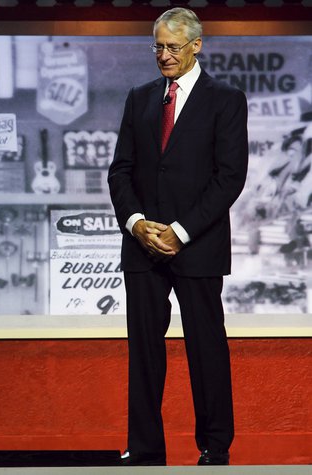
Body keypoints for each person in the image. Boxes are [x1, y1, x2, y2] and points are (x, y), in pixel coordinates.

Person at [107, 8, 248, 466]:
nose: (163, 55)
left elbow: (230, 178)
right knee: (143, 353)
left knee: (206, 346)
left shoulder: (225, 99)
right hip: (143, 247)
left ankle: (215, 447)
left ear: (196, 46)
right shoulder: (139, 97)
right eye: (158, 47)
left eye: (172, 47)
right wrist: (136, 223)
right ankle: (145, 449)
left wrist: (181, 231)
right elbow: (120, 171)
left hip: (198, 246)